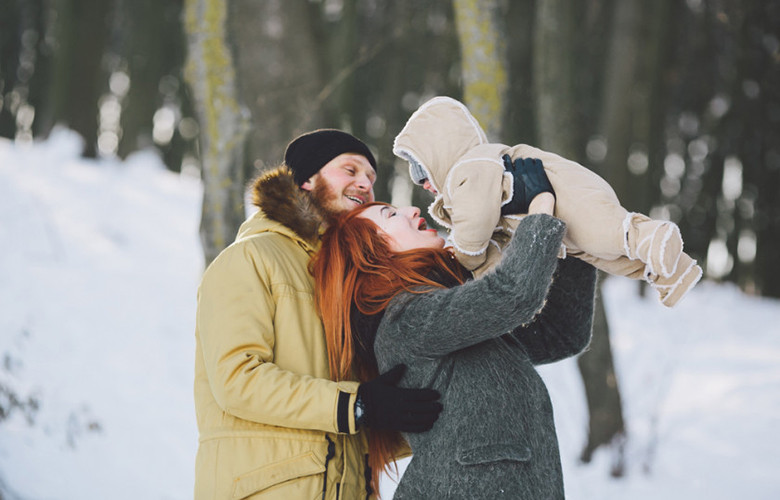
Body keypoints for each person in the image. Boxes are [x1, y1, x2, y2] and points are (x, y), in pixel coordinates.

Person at [193, 129, 442, 500]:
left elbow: (362, 415)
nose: (364, 185)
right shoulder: (250, 259)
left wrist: (406, 414)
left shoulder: (345, 283)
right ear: (306, 179)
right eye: (351, 170)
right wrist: (357, 404)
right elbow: (237, 379)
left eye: (371, 179)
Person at [311, 188, 598, 498]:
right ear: (374, 252)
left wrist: (576, 251)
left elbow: (560, 334)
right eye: (391, 215)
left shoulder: (442, 316)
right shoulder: (404, 321)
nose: (412, 210)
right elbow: (512, 294)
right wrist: (540, 218)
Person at [393, 95, 702, 307]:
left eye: (424, 174)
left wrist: (463, 255)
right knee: (604, 255)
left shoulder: (469, 167)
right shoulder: (468, 174)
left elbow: (474, 224)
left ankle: (653, 236)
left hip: (569, 197)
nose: (425, 185)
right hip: (561, 225)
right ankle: (672, 273)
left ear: (439, 156)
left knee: (607, 235)